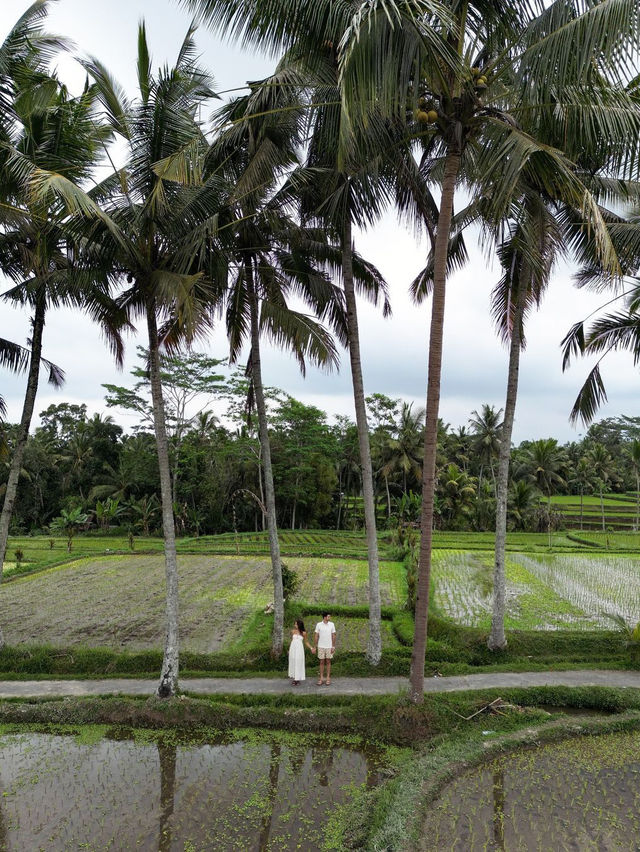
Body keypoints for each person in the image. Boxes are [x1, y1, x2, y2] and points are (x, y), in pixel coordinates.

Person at [313, 612, 336, 686]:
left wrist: (333, 646)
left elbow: (333, 635)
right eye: (329, 616)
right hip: (321, 646)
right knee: (322, 662)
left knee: (328, 662)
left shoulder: (332, 624)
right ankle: (321, 678)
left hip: (329, 646)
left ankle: (328, 678)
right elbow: (316, 636)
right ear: (325, 617)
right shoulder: (319, 624)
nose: (330, 617)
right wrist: (315, 646)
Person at [288, 618, 312, 685]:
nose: (295, 625)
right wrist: (289, 650)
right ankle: (294, 678)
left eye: (296, 624)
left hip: (299, 650)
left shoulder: (304, 633)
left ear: (299, 625)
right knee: (293, 661)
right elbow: (291, 641)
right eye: (295, 624)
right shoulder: (293, 631)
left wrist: (311, 648)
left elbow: (306, 642)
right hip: (293, 648)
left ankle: (297, 679)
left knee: (298, 662)